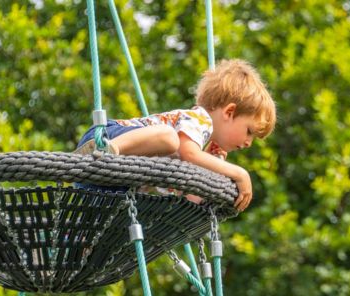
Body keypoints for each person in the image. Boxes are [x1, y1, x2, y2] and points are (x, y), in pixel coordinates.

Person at [75, 59, 276, 211]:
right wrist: (239, 173)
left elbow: (188, 199)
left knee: (104, 229)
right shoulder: (200, 120)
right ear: (229, 112)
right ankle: (106, 150)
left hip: (118, 183)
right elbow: (189, 153)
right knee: (170, 138)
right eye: (249, 131)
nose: (249, 142)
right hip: (110, 136)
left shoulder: (209, 152)